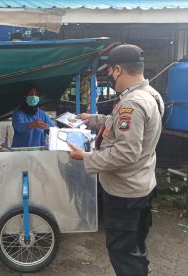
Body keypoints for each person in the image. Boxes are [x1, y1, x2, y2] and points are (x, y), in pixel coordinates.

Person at [68, 44, 164, 276]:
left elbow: (126, 152)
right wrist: (91, 119)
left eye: (110, 72)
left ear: (119, 69)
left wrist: (86, 157)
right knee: (135, 246)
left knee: (122, 252)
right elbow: (120, 124)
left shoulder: (132, 103)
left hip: (125, 193)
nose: (110, 77)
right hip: (141, 185)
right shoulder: (150, 94)